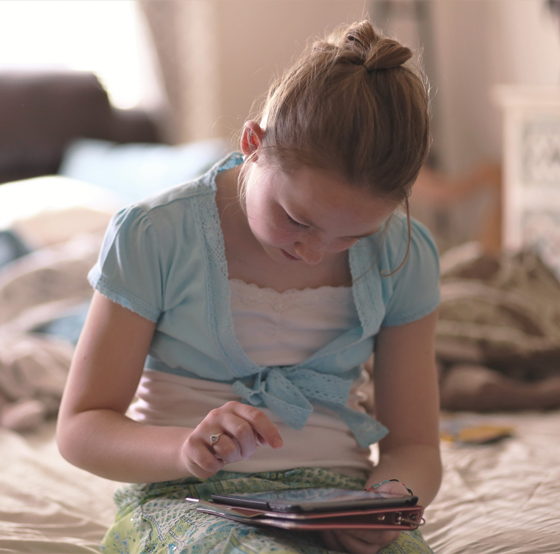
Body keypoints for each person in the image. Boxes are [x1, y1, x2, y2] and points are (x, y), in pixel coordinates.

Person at [57, 20, 442, 554]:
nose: (313, 251)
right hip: (185, 498)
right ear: (253, 143)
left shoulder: (405, 254)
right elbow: (80, 428)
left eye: (354, 235)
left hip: (338, 501)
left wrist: (389, 501)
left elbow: (417, 444)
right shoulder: (155, 235)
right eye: (297, 220)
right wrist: (185, 450)